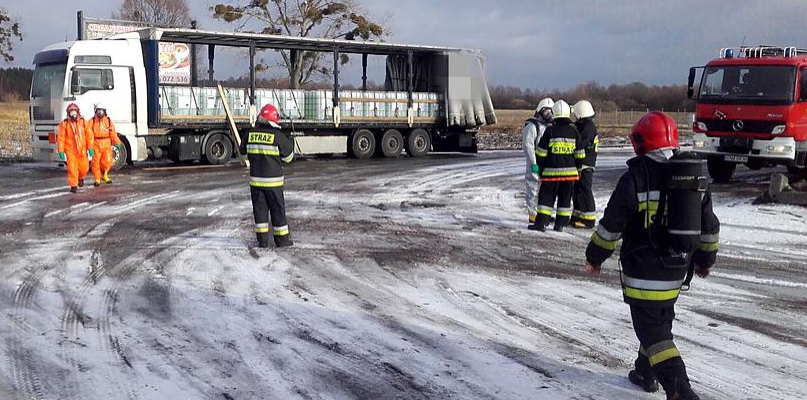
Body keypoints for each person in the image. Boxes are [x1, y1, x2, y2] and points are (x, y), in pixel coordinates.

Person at [583, 111, 720, 400]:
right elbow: (709, 226)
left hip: (644, 274)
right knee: (658, 323)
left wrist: (595, 256)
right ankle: (645, 372)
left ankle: (679, 387)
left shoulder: (636, 177)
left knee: (654, 333)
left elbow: (612, 225)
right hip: (677, 272)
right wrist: (705, 261)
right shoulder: (692, 176)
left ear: (641, 143)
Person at [240, 104, 295, 248]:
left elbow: (243, 154)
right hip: (274, 183)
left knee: (260, 212)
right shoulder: (278, 136)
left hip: (256, 182)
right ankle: (282, 241)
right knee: (278, 211)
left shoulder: (249, 134)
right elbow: (288, 158)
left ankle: (262, 241)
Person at [529, 100, 584, 232]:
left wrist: (540, 169)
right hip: (569, 175)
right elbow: (580, 154)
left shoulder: (550, 131)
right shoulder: (574, 132)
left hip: (550, 174)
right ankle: (560, 225)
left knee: (546, 199)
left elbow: (541, 153)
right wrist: (578, 169)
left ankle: (541, 223)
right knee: (565, 200)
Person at [522, 97, 554, 225]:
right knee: (533, 188)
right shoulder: (532, 126)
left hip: (546, 163)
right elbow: (528, 145)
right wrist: (533, 163)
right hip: (535, 163)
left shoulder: (549, 127)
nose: (549, 115)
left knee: (545, 190)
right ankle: (533, 214)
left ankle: (543, 214)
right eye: (546, 112)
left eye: (551, 112)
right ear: (540, 111)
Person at [571, 100, 599, 228]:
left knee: (585, 190)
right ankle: (577, 215)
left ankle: (589, 219)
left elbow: (579, 143)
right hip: (582, 164)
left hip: (585, 164)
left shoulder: (587, 128)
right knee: (577, 190)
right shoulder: (585, 126)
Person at [56, 103, 93, 193]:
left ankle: (80, 177)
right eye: (71, 112)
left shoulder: (84, 122)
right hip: (70, 150)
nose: (73, 114)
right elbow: (61, 138)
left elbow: (89, 135)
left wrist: (90, 147)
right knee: (72, 168)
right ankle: (73, 185)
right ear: (68, 113)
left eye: (74, 112)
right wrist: (61, 150)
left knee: (84, 168)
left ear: (78, 112)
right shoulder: (64, 124)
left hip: (82, 150)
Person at [87, 103, 122, 186]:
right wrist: (90, 147)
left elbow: (113, 133)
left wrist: (117, 142)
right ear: (95, 111)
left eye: (101, 111)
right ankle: (97, 178)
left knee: (108, 160)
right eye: (98, 111)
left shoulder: (108, 121)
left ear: (105, 111)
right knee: (95, 162)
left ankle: (105, 174)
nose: (100, 113)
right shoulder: (91, 121)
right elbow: (89, 135)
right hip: (96, 143)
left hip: (106, 143)